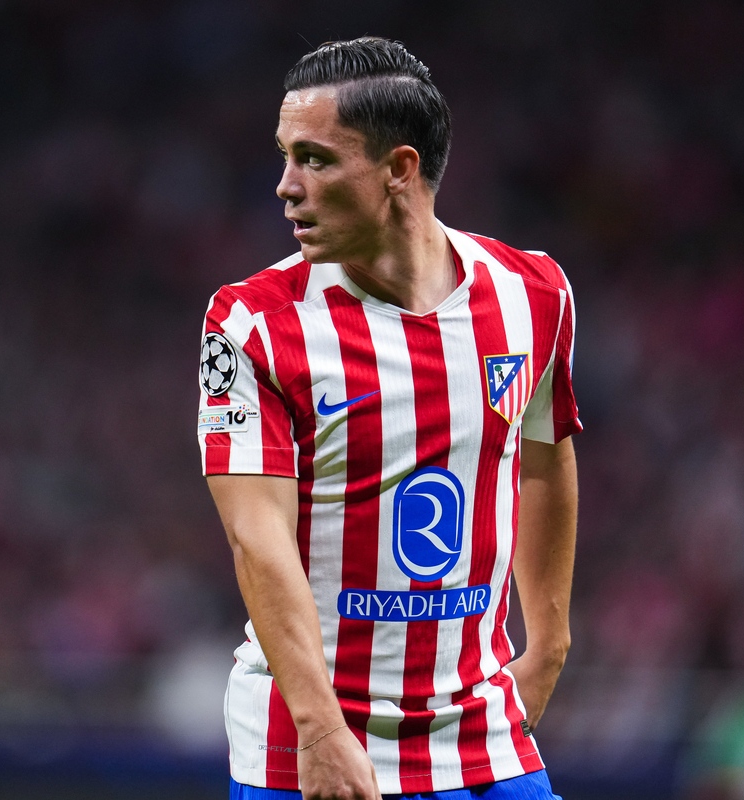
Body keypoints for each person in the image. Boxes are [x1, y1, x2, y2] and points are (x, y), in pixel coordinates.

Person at [197, 37, 580, 800]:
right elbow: (256, 536)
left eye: (315, 159)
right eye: (285, 156)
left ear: (400, 170)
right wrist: (320, 727)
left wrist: (550, 643)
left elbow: (545, 455)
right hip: (307, 738)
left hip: (480, 731)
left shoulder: (533, 296)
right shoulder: (251, 324)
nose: (285, 186)